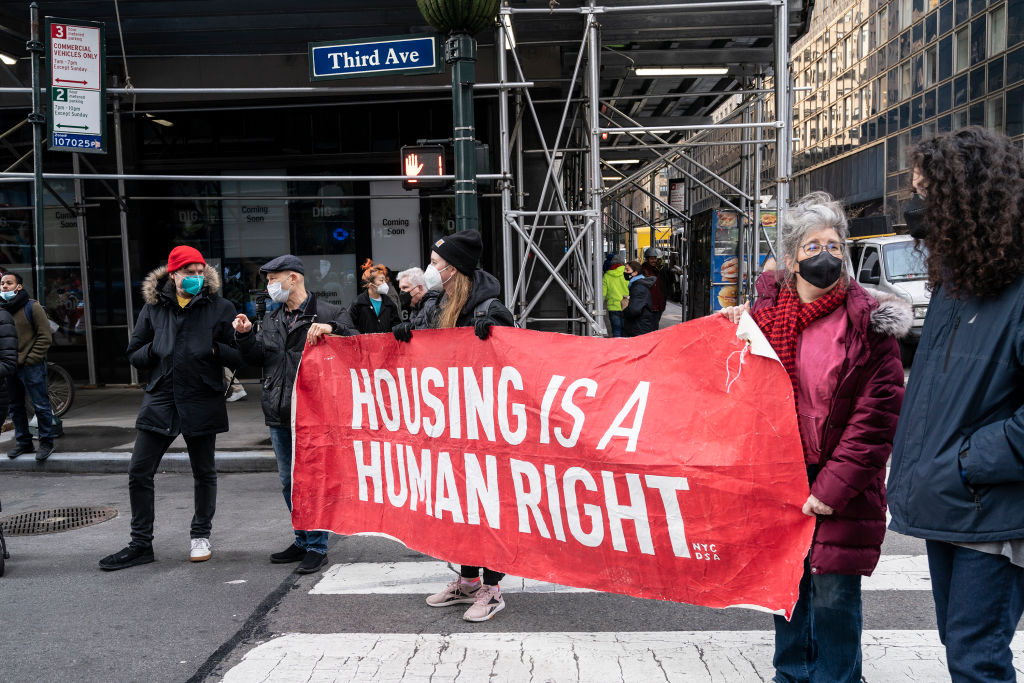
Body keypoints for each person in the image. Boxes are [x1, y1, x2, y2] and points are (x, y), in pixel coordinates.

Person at [721, 191, 908, 683]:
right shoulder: (763, 319)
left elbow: (875, 419)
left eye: (834, 245)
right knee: (787, 591)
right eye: (812, 246)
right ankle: (791, 676)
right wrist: (729, 330)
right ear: (790, 259)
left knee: (833, 597)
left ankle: (837, 679)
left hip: (840, 485)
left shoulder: (867, 324)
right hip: (781, 480)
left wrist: (829, 490)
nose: (826, 255)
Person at [887, 127, 1024, 683]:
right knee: (962, 646)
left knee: (976, 658)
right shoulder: (957, 280)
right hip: (953, 499)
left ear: (966, 203)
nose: (915, 209)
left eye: (927, 195)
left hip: (993, 506)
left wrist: (969, 461)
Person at [392, 230, 515, 621]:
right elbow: (427, 349)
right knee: (460, 508)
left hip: (485, 427)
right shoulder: (437, 302)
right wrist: (407, 337)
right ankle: (468, 581)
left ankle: (492, 589)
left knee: (488, 509)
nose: (430, 269)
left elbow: (515, 364)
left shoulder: (490, 308)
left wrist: (496, 337)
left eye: (436, 263)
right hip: (450, 424)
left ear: (454, 269)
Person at [99, 246, 241, 571]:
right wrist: (154, 348)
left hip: (201, 396)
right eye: (189, 272)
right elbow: (134, 353)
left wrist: (214, 349)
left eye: (200, 272)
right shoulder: (154, 308)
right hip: (161, 397)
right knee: (139, 471)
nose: (196, 278)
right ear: (173, 274)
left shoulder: (220, 307)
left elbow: (238, 356)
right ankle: (140, 544)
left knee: (204, 471)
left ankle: (200, 536)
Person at [233, 254, 358, 575]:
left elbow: (356, 343)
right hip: (279, 410)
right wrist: (245, 336)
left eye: (273, 279)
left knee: (314, 479)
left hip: (316, 413)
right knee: (288, 482)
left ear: (293, 278)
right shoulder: (272, 318)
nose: (269, 286)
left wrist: (332, 329)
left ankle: (317, 546)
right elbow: (258, 357)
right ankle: (302, 538)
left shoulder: (328, 312)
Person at [0, 272, 55, 461]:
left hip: (31, 365)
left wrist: (31, 358)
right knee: (15, 407)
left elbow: (45, 336)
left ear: (19, 286)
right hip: (9, 366)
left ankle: (46, 442)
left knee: (40, 404)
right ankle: (24, 442)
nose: (4, 286)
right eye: (2, 283)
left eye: (9, 283)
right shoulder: (1, 309)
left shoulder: (32, 306)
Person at [348, 259, 401, 334]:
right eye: (381, 280)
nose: (384, 283)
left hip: (385, 341)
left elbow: (396, 324)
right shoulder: (358, 303)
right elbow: (350, 326)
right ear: (371, 285)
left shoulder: (389, 303)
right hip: (365, 341)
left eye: (385, 280)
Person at [622, 260, 657, 336]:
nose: (624, 272)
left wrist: (625, 307)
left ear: (635, 273)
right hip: (639, 326)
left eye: (627, 270)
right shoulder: (637, 285)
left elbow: (634, 310)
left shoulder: (638, 287)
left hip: (639, 328)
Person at [640, 247, 670, 326]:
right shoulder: (643, 271)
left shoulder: (663, 270)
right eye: (651, 258)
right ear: (647, 259)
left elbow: (667, 285)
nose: (654, 261)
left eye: (655, 258)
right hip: (648, 305)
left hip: (659, 305)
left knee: (655, 325)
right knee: (648, 327)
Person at [602, 254, 630, 338]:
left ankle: (617, 345)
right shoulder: (627, 273)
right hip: (627, 305)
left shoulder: (607, 275)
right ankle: (625, 345)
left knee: (616, 330)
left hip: (613, 306)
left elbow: (603, 293)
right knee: (626, 330)